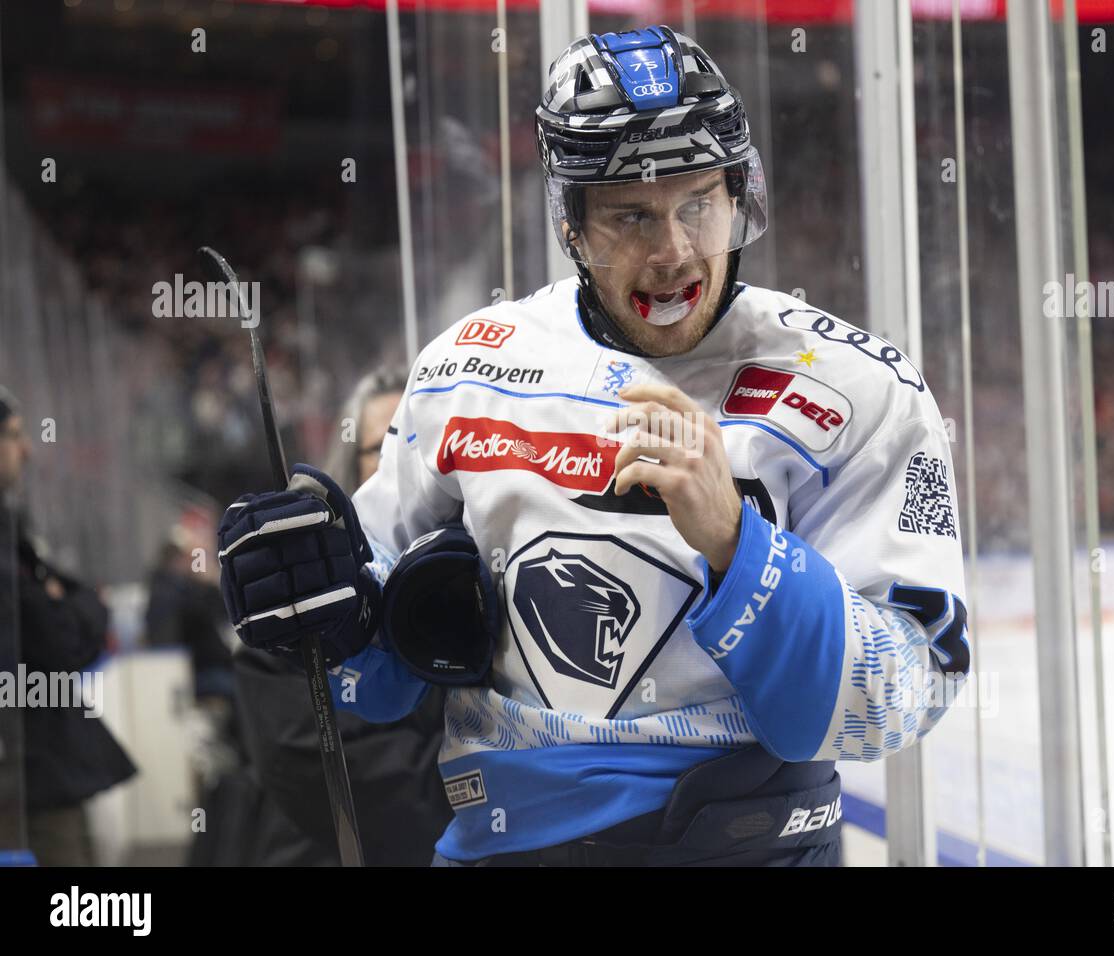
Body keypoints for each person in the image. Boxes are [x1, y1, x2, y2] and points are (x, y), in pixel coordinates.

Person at [218, 27, 970, 866]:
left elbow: (906, 694)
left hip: (747, 847)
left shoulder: (857, 388)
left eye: (699, 205)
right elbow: (378, 674)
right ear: (570, 224)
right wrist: (323, 607)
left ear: (739, 196)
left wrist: (740, 549)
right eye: (631, 218)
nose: (674, 250)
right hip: (498, 846)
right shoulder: (469, 366)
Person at [200, 368, 451, 866]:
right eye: (385, 447)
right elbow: (332, 777)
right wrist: (481, 788)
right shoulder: (299, 602)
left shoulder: (464, 584)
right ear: (349, 466)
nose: (405, 465)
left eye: (423, 445)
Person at [0, 385, 136, 866]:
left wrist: (72, 605)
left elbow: (80, 613)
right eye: (13, 436)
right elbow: (60, 641)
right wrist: (74, 607)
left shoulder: (14, 533)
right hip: (24, 774)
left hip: (43, 768)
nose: (27, 449)